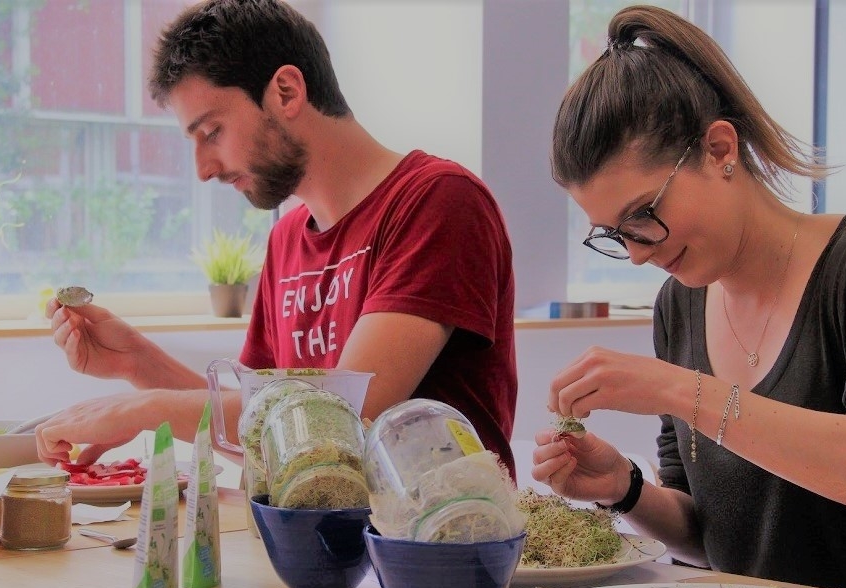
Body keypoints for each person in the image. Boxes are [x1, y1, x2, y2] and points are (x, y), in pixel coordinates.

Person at [532, 5, 846, 588]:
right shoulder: (678, 306)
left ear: (719, 149)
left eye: (644, 215)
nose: (636, 253)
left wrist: (678, 389)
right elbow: (710, 538)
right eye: (614, 234)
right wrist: (623, 488)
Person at [37, 0, 518, 478]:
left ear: (286, 92)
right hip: (321, 526)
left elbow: (339, 421)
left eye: (212, 131)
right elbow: (264, 439)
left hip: (443, 526)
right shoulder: (287, 238)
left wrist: (145, 411)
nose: (203, 169)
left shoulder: (438, 200)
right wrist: (137, 363)